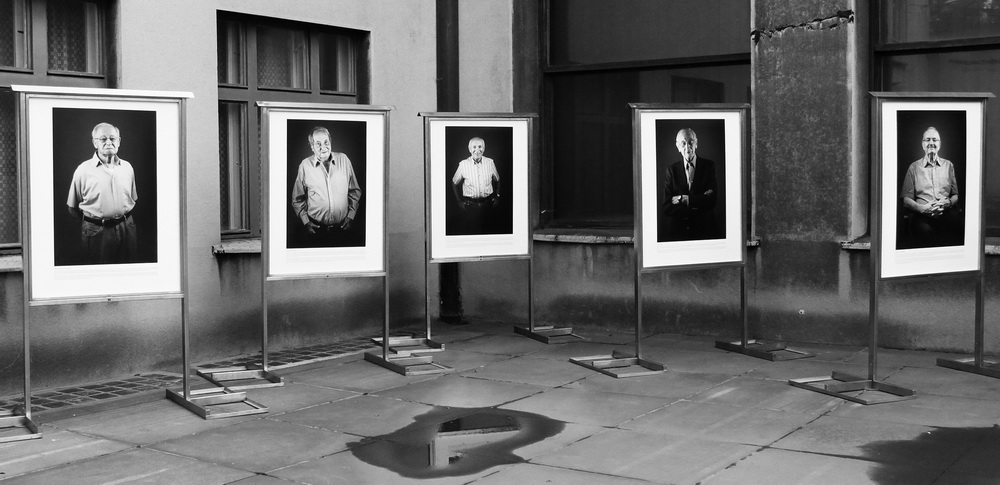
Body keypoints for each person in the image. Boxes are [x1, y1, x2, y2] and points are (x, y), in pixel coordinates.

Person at [66, 122, 139, 264]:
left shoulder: (127, 167)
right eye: (103, 139)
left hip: (127, 228)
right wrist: (94, 222)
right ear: (95, 143)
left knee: (129, 270)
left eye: (112, 138)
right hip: (97, 232)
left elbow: (133, 198)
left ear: (119, 141)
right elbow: (72, 208)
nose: (109, 142)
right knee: (99, 272)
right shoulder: (83, 170)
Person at [291, 126, 362, 247]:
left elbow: (354, 191)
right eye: (318, 144)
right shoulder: (305, 165)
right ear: (312, 146)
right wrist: (306, 222)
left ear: (330, 142)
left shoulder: (344, 160)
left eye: (326, 142)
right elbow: (297, 198)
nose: (323, 147)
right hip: (316, 230)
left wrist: (351, 216)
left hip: (343, 229)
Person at [899, 126, 962, 248]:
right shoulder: (914, 167)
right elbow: (906, 199)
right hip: (922, 216)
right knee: (926, 234)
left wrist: (948, 203)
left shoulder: (949, 165)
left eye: (934, 140)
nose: (931, 143)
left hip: (946, 214)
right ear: (923, 144)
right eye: (927, 140)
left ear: (940, 144)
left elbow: (955, 195)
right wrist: (921, 208)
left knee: (955, 231)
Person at [661, 128, 720, 241]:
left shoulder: (708, 166)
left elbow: (712, 201)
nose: (687, 148)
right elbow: (667, 207)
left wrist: (683, 199)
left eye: (690, 142)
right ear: (678, 146)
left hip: (705, 232)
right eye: (683, 143)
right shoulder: (671, 170)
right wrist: (699, 202)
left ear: (696, 143)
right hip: (679, 233)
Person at [451, 137, 500, 234]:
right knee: (471, 232)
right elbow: (454, 183)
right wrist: (459, 201)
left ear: (484, 149)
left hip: (488, 205)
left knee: (489, 232)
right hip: (470, 207)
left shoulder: (490, 163)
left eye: (480, 147)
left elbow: (497, 179)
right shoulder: (463, 165)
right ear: (469, 149)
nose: (477, 150)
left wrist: (497, 195)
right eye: (474, 147)